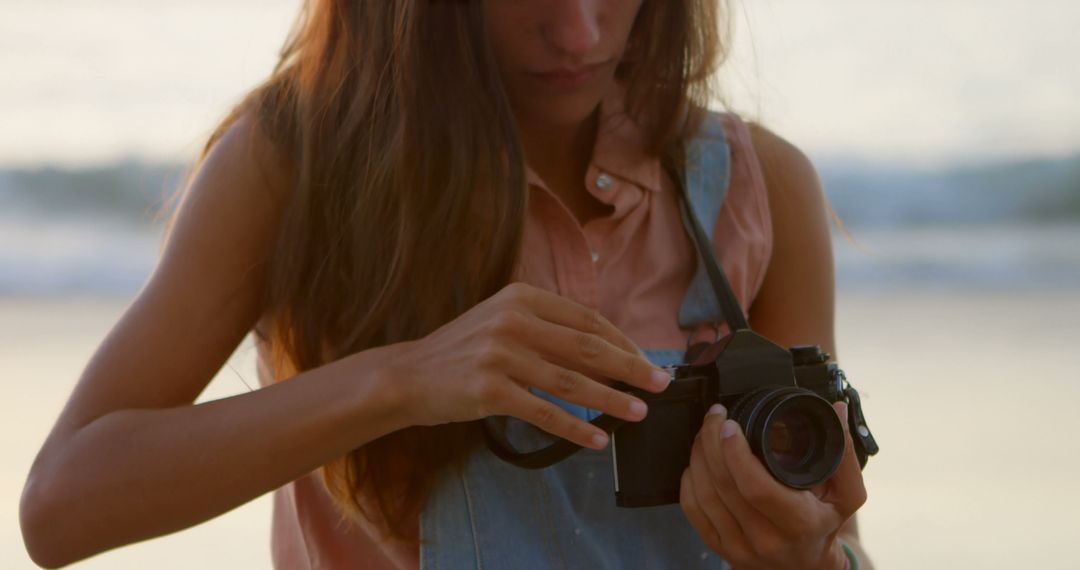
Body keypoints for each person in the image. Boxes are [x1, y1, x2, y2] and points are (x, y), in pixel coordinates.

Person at [20, 0, 871, 568]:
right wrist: (401, 380)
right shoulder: (297, 164)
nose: (578, 34)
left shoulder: (760, 191)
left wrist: (810, 556)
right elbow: (62, 508)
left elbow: (842, 538)